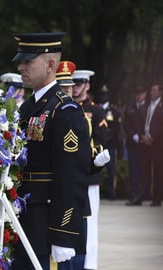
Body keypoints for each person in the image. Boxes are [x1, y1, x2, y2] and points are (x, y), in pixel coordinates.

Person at [11, 32, 92, 270]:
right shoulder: (28, 107)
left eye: (28, 61)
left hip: (47, 218)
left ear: (50, 65)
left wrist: (63, 233)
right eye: (21, 61)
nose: (21, 66)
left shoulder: (64, 110)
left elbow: (71, 178)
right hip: (25, 213)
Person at [71, 69, 109, 270]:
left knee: (90, 221)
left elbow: (103, 139)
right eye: (74, 84)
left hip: (90, 173)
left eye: (80, 84)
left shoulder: (97, 111)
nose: (76, 88)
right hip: (72, 173)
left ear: (87, 85)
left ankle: (90, 264)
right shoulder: (68, 107)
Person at [139, 83, 163, 206]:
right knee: (145, 170)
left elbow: (160, 126)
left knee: (158, 171)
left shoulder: (161, 106)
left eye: (154, 90)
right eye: (151, 90)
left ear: (160, 92)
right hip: (146, 142)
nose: (151, 92)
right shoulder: (148, 106)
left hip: (157, 144)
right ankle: (144, 194)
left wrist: (151, 137)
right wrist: (143, 135)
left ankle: (157, 198)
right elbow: (144, 123)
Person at [124, 87, 149, 205]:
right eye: (137, 93)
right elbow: (126, 123)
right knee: (133, 170)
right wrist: (132, 134)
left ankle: (143, 194)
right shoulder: (130, 107)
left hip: (145, 144)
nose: (139, 96)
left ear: (145, 94)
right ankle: (133, 194)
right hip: (132, 143)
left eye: (141, 93)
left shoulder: (149, 107)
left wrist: (144, 136)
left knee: (143, 170)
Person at [97, 85, 122, 200]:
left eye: (105, 95)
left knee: (111, 169)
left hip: (110, 144)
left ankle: (111, 192)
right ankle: (99, 191)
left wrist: (109, 136)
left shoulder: (114, 110)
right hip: (98, 144)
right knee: (97, 168)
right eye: (102, 94)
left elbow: (117, 127)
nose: (103, 97)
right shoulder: (96, 108)